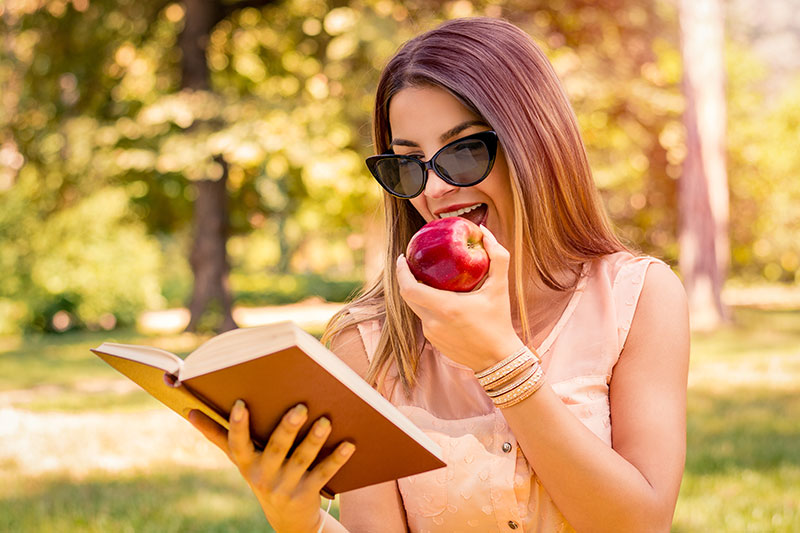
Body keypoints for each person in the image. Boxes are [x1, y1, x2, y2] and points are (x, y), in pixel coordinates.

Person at [188, 17, 690, 532]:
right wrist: (297, 518)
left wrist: (502, 362)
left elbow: (642, 525)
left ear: (535, 143)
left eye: (466, 150)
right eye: (407, 165)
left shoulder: (639, 297)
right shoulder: (371, 342)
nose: (433, 189)